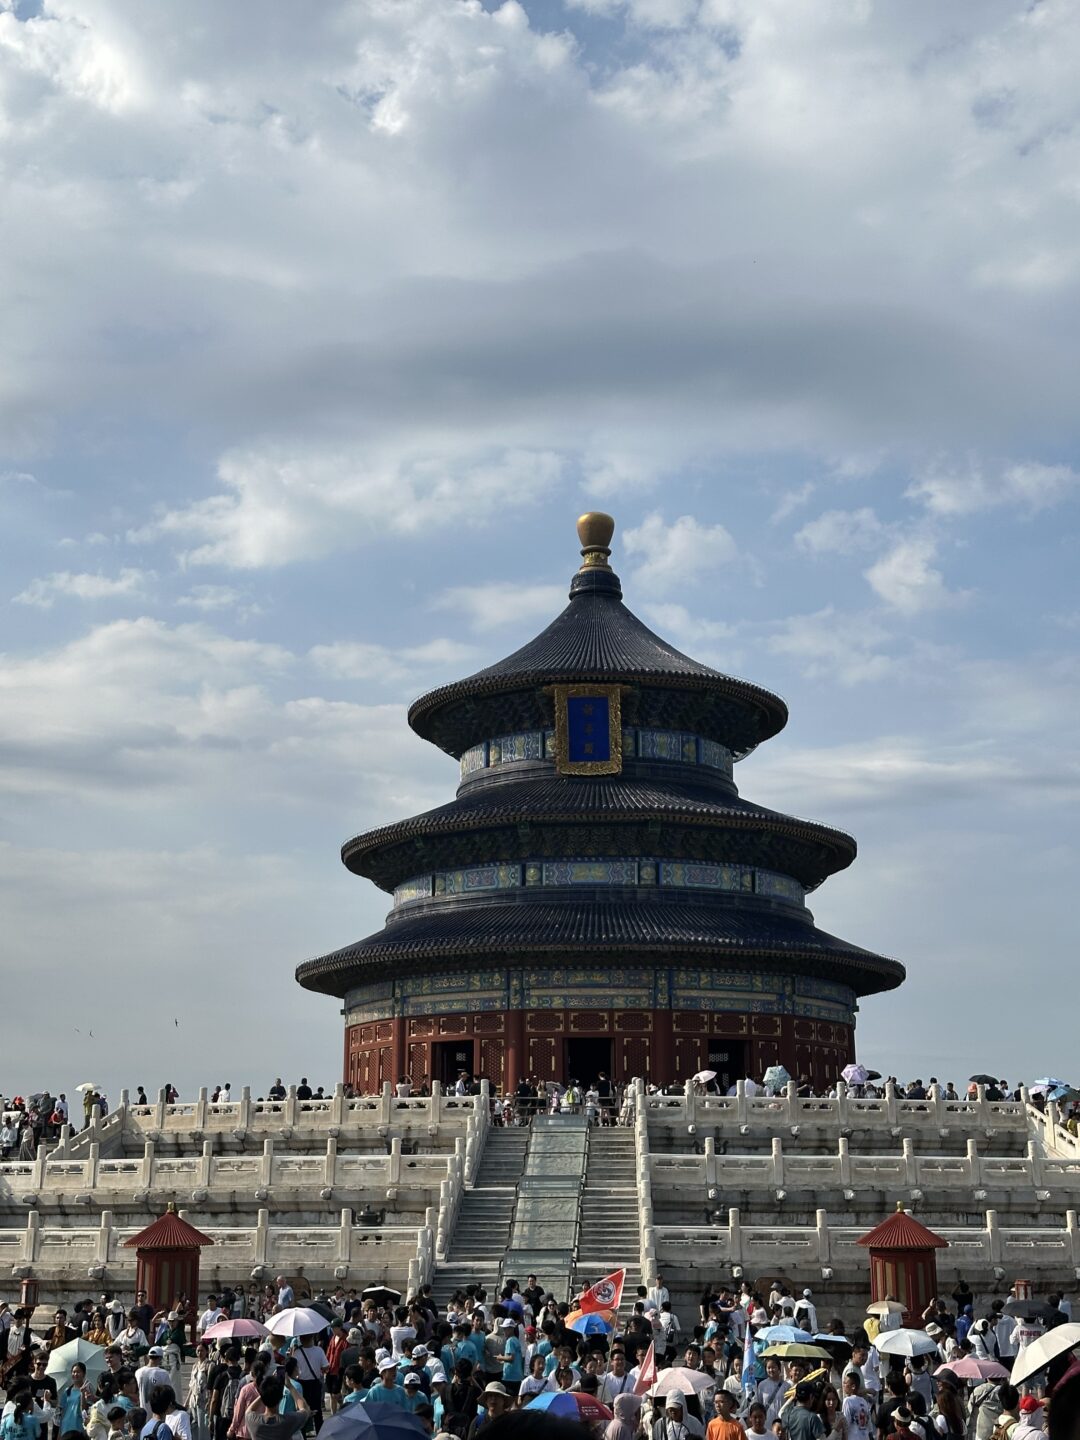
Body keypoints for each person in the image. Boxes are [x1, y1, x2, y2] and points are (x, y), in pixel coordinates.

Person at [243, 1376, 309, 1440]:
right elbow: (305, 1409)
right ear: (281, 1397)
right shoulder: (288, 1421)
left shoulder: (252, 1420)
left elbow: (249, 1410)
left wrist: (264, 1392)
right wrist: (290, 1386)